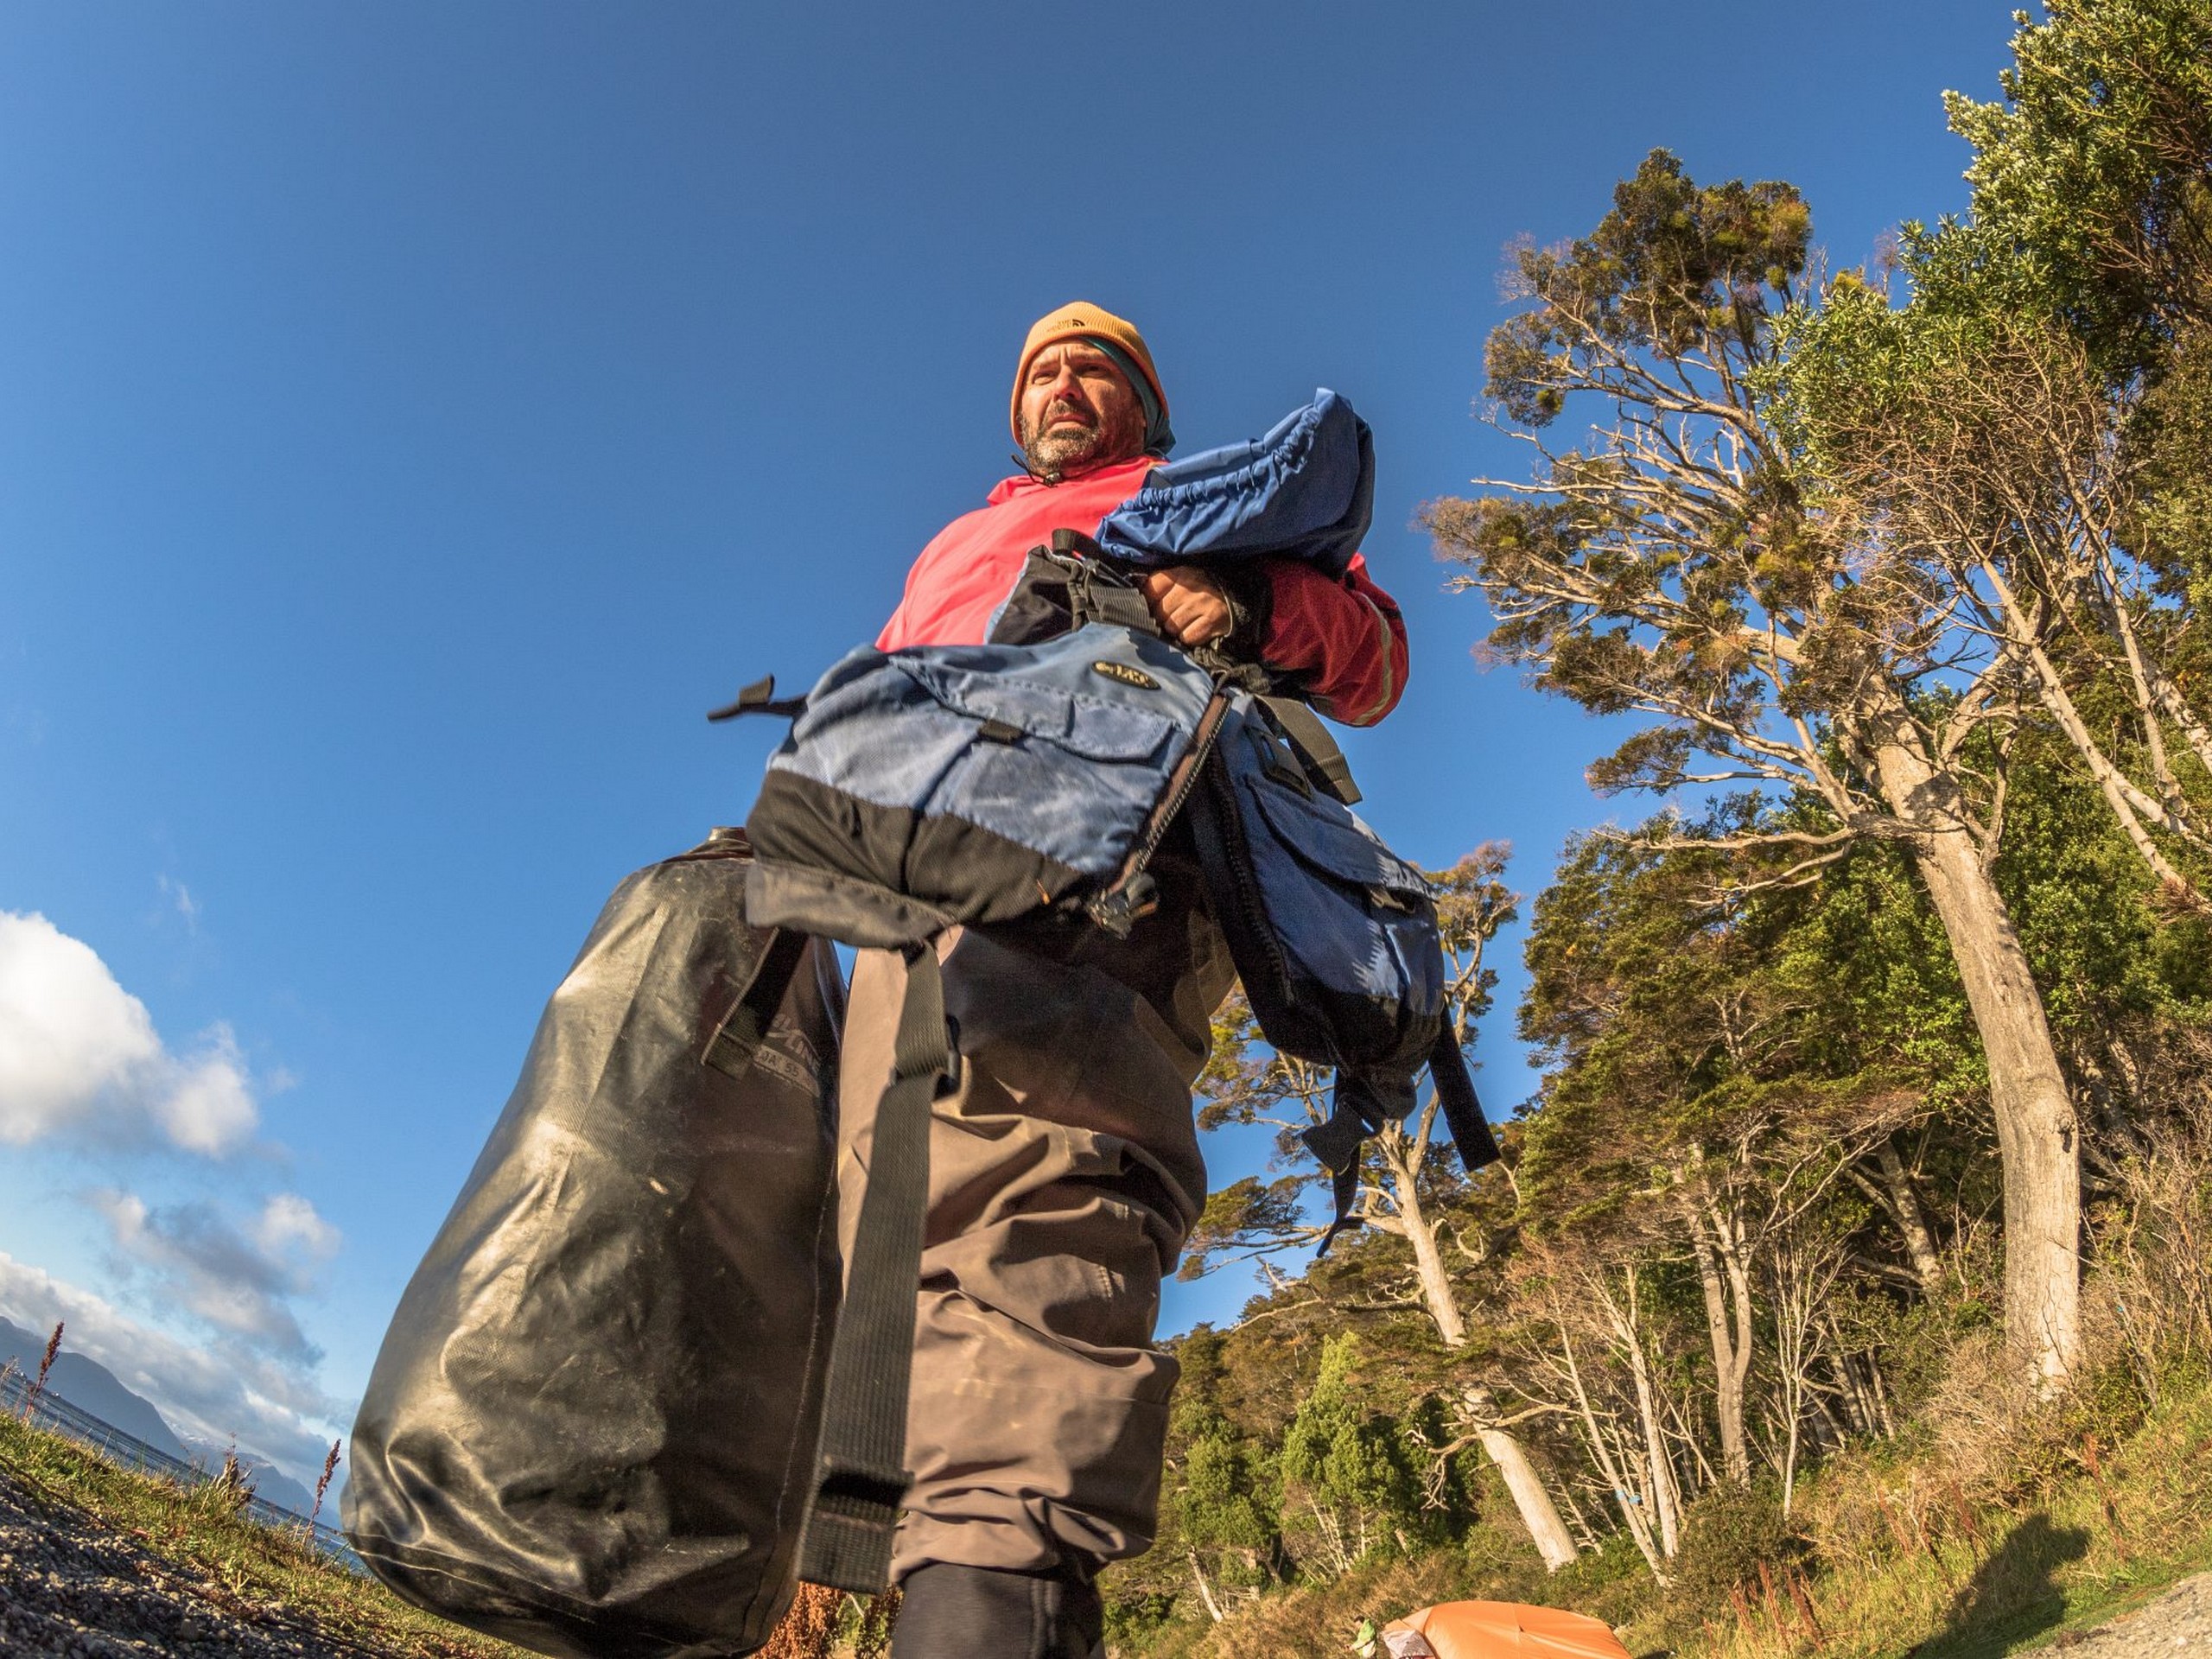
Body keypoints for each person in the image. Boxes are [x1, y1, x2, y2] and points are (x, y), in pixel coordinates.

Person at [843, 302, 1408, 1658]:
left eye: (1096, 367)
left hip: (1107, 880)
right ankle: (863, 1597)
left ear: (1144, 408)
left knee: (1034, 1223)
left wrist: (1248, 603)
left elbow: (1373, 658)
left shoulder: (1190, 498)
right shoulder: (953, 542)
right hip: (900, 906)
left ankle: (993, 1617)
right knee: (873, 1258)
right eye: (1041, 369)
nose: (1063, 384)